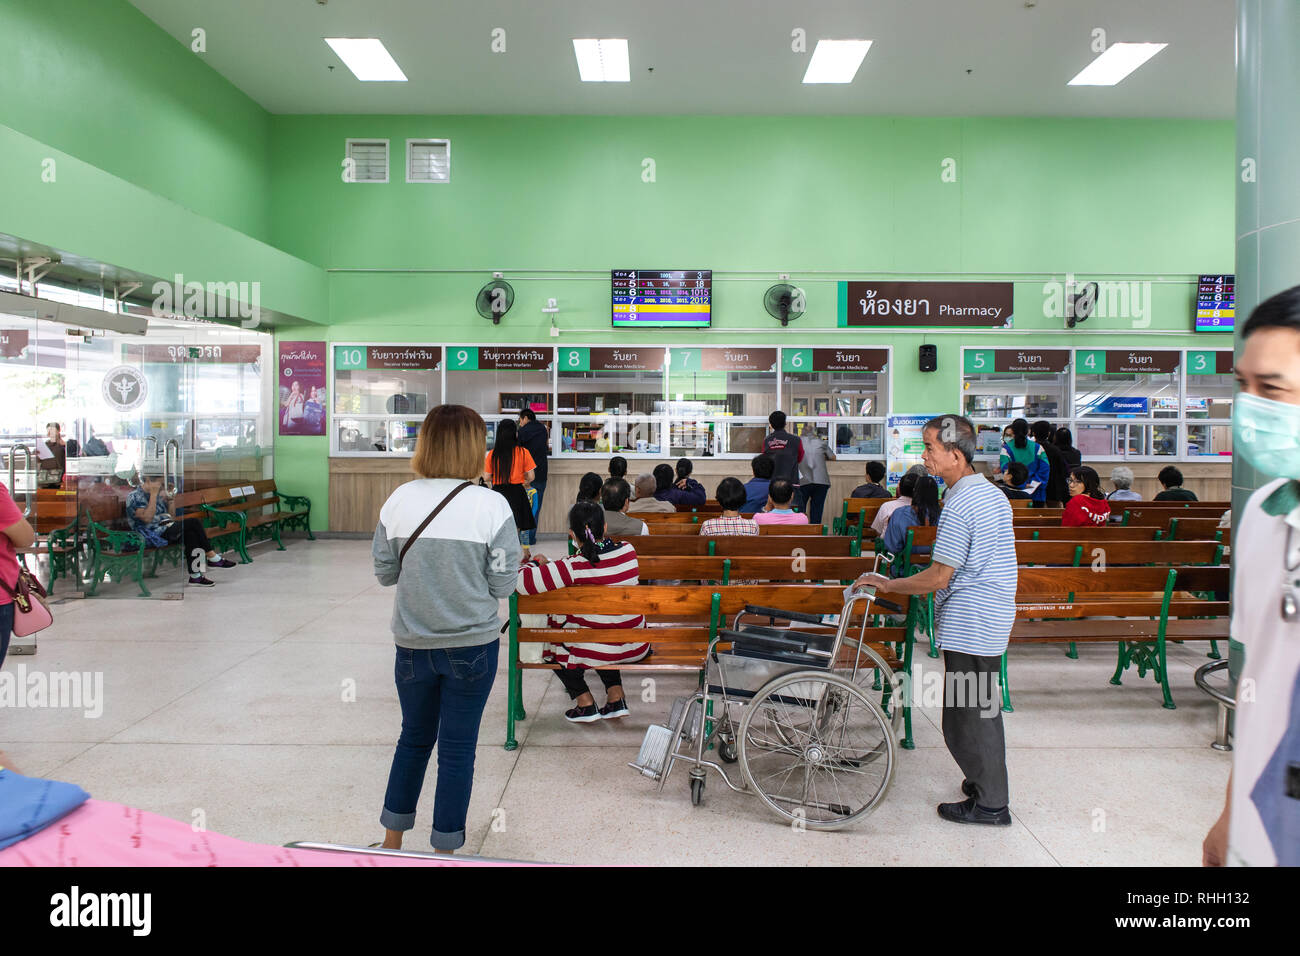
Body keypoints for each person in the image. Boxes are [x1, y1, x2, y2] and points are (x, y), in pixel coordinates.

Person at [372, 404, 520, 854]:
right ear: (476, 449)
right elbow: (502, 583)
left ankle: (391, 840)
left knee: (413, 738)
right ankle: (444, 849)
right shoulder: (493, 506)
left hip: (412, 644)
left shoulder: (398, 499)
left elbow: (384, 572)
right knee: (458, 749)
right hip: (472, 645)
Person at [854, 414, 1015, 827]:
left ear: (956, 455)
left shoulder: (962, 501)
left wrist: (888, 585)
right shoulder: (989, 491)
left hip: (973, 618)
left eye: (929, 448)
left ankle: (992, 804)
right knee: (980, 705)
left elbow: (941, 575)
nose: (923, 456)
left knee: (968, 714)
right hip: (990, 614)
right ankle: (984, 781)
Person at [1203, 284, 1300, 867]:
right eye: (1244, 386)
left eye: (1273, 389)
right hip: (1265, 825)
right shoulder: (1263, 519)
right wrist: (1231, 812)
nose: (1251, 407)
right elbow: (1257, 682)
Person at [516, 501, 649, 722]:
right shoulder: (628, 551)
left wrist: (535, 563)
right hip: (637, 645)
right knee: (603, 627)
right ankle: (616, 696)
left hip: (598, 649)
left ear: (571, 534)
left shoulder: (572, 566)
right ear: (605, 527)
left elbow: (521, 583)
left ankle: (584, 701)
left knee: (551, 638)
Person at [125, 476, 238, 586]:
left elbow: (171, 517)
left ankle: (196, 576)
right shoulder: (134, 496)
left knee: (191, 534)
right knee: (194, 522)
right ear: (149, 481)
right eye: (160, 483)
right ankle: (212, 556)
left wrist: (171, 499)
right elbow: (147, 519)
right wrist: (153, 495)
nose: (161, 486)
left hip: (166, 528)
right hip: (150, 535)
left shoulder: (157, 496)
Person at [484, 418, 537, 560]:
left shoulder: (492, 454)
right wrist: (521, 478)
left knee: (498, 527)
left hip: (498, 493)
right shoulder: (523, 452)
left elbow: (487, 477)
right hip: (516, 492)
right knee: (516, 526)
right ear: (515, 434)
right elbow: (531, 476)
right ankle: (514, 556)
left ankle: (498, 555)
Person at [881, 474, 940, 559]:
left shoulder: (900, 513)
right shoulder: (945, 515)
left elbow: (892, 547)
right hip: (936, 568)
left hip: (904, 569)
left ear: (915, 492)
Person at [516, 408, 549, 548]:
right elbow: (546, 448)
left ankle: (522, 538)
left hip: (525, 475)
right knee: (536, 507)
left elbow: (516, 452)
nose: (520, 422)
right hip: (541, 473)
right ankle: (531, 538)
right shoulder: (543, 429)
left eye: (520, 420)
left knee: (523, 507)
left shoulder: (522, 431)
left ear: (525, 418)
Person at [998, 418, 1050, 506]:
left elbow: (1005, 470)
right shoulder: (1038, 447)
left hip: (1013, 495)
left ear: (1013, 431)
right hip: (1036, 493)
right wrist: (1032, 484)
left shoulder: (1006, 449)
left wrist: (1022, 485)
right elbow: (1045, 469)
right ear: (1028, 431)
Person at [762, 411, 804, 506]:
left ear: (771, 425)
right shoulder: (796, 440)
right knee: (795, 516)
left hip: (773, 486)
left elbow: (765, 461)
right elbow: (800, 457)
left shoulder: (767, 440)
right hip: (792, 484)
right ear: (785, 423)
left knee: (773, 517)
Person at [871, 465, 927, 536]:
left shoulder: (887, 506)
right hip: (919, 545)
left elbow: (878, 531)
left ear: (900, 488)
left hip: (890, 546)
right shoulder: (928, 509)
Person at [797, 424, 836, 525]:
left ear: (801, 432)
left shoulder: (797, 442)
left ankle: (800, 532)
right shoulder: (821, 442)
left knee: (800, 509)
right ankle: (816, 533)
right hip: (821, 481)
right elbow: (833, 457)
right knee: (817, 509)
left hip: (803, 481)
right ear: (813, 432)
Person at [1031, 420, 1070, 507]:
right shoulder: (1055, 450)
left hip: (1033, 487)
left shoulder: (1030, 449)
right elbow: (1063, 470)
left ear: (1033, 433)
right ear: (1049, 433)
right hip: (1053, 488)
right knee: (1053, 514)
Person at [36, 423, 70, 488]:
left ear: (58, 431)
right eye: (48, 431)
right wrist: (37, 454)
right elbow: (38, 460)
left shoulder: (63, 444)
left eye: (52, 430)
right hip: (45, 477)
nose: (50, 433)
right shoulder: (45, 445)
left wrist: (65, 445)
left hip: (59, 477)